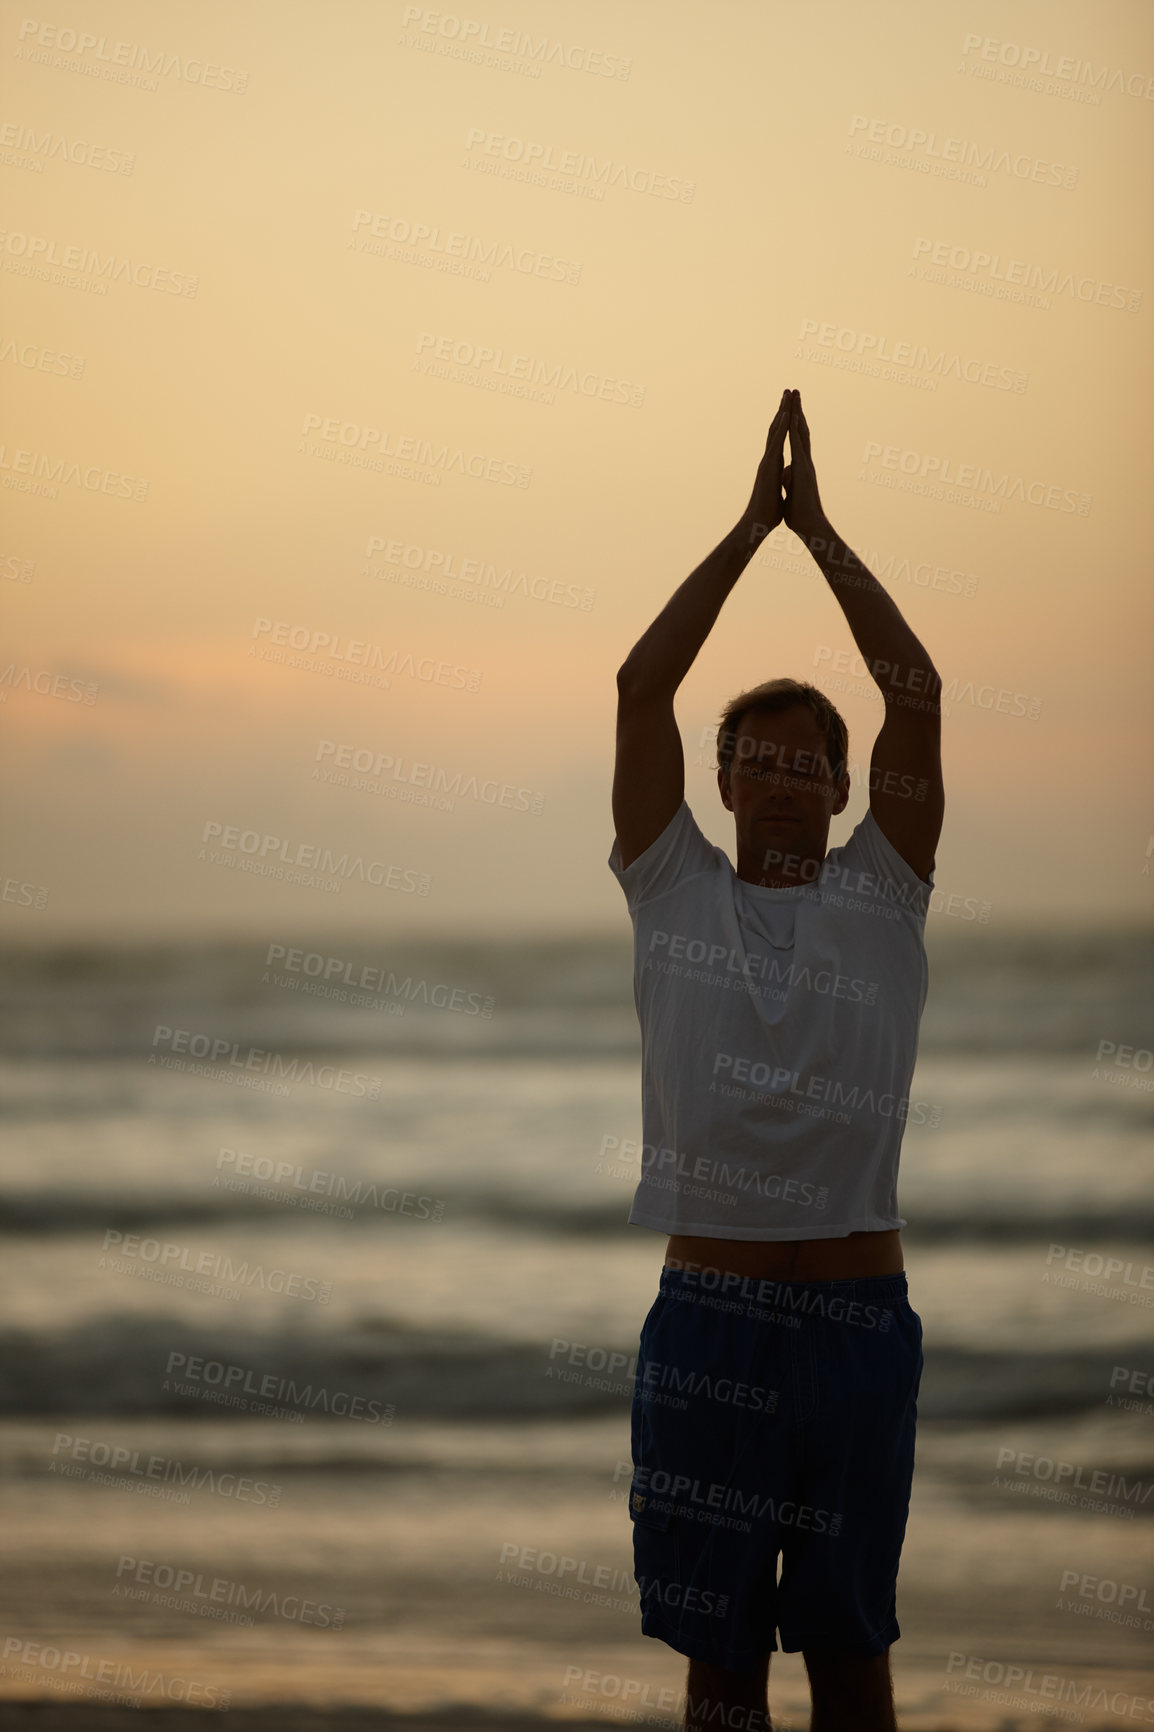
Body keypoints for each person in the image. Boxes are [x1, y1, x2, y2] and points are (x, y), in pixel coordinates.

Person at [608, 389, 944, 1732]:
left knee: (853, 1662)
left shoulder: (886, 891)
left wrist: (825, 535)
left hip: (859, 1327)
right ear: (726, 783)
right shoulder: (669, 886)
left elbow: (912, 689)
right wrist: (752, 527)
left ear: (844, 789)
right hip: (707, 1325)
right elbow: (642, 686)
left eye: (812, 761)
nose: (788, 776)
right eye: (760, 759)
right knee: (720, 1671)